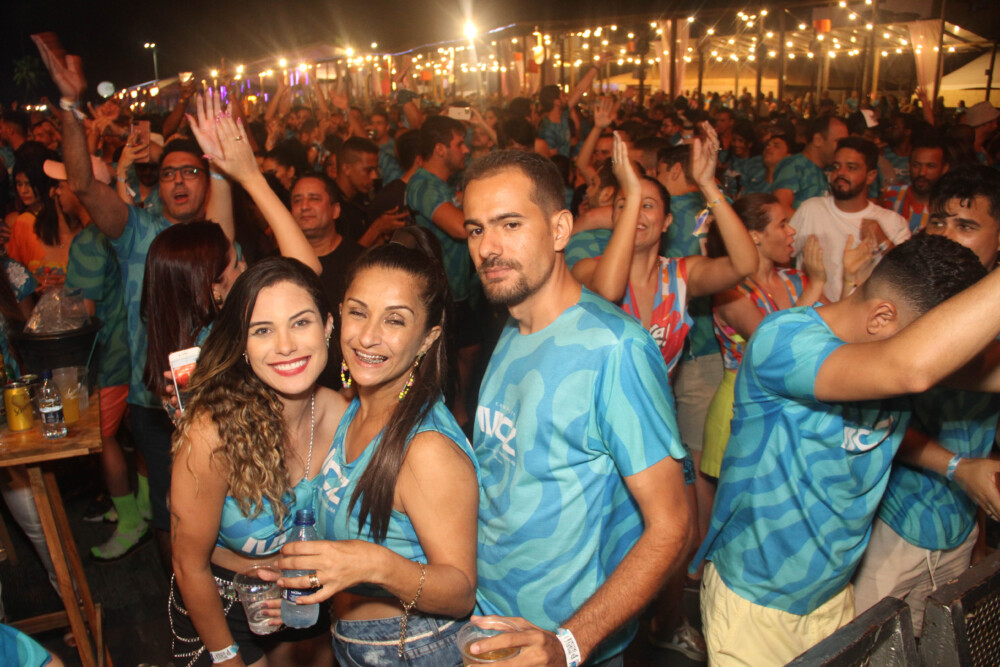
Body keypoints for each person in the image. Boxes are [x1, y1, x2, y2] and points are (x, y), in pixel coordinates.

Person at [693, 233, 1000, 666]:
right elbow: (911, 368)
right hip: (757, 601)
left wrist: (958, 467)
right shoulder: (784, 339)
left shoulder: (887, 349)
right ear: (882, 317)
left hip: (833, 594)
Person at [462, 149, 691, 666]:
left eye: (510, 224)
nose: (488, 248)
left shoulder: (615, 348)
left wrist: (568, 644)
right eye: (476, 230)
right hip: (488, 621)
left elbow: (672, 525)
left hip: (560, 642)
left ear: (560, 229)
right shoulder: (513, 325)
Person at [33, 32, 235, 570]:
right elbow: (82, 182)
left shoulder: (220, 240)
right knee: (170, 514)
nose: (179, 182)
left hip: (219, 398)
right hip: (154, 403)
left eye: (190, 172)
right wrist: (70, 105)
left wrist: (223, 157)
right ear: (157, 184)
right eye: (168, 174)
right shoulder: (134, 232)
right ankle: (181, 598)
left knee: (227, 510)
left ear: (206, 181)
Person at [275, 226, 479, 665]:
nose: (368, 337)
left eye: (395, 320)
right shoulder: (355, 406)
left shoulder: (425, 450)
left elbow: (461, 592)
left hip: (415, 650)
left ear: (428, 338)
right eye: (358, 312)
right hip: (353, 641)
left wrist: (374, 564)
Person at [170, 257, 347, 667]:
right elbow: (187, 562)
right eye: (262, 330)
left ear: (328, 325)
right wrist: (225, 655)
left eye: (300, 323)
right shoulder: (213, 431)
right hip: (221, 610)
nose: (285, 345)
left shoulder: (343, 416)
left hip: (309, 601)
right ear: (242, 345)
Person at [853, 165, 1000, 634]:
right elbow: (870, 424)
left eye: (966, 225)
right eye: (938, 221)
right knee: (867, 651)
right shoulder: (901, 306)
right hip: (887, 524)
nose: (948, 236)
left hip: (959, 527)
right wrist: (957, 467)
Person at [573, 129, 758, 378]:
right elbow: (608, 291)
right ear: (614, 217)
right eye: (624, 206)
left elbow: (745, 265)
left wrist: (708, 186)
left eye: (647, 205)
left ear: (666, 222)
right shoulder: (586, 269)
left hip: (659, 401)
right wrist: (634, 196)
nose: (636, 213)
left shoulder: (680, 275)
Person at [699, 194, 831, 478]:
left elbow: (841, 329)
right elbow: (776, 347)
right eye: (783, 224)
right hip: (741, 411)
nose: (792, 231)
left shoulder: (795, 279)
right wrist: (817, 284)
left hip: (792, 408)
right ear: (754, 236)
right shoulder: (731, 291)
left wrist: (853, 276)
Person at [791, 137, 911, 302]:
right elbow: (780, 257)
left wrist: (884, 242)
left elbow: (909, 279)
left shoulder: (892, 222)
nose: (840, 173)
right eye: (836, 167)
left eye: (851, 167)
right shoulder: (811, 209)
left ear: (870, 176)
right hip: (816, 312)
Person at [772, 116, 849, 210]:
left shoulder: (833, 170)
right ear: (818, 140)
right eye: (839, 142)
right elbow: (782, 207)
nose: (843, 148)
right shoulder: (792, 166)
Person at [881, 136, 951, 232]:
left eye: (930, 166)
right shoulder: (889, 195)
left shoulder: (951, 205)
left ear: (944, 169)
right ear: (908, 166)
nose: (922, 172)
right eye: (916, 165)